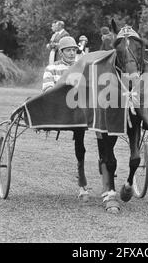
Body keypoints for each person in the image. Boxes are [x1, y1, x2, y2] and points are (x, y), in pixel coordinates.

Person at [42, 36, 88, 199]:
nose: (71, 53)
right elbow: (47, 90)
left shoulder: (82, 67)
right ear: (61, 52)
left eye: (74, 50)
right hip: (59, 109)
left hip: (79, 111)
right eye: (68, 50)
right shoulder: (51, 68)